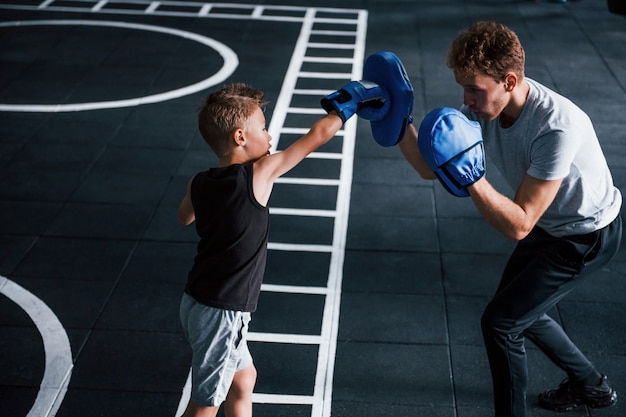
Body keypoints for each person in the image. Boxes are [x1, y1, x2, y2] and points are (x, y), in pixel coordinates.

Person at [396, 21, 622, 417]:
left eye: (474, 89)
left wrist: (473, 177)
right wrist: (399, 122)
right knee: (517, 312)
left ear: (510, 80)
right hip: (549, 222)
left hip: (585, 235)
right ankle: (591, 386)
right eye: (463, 87)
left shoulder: (555, 126)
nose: (465, 100)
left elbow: (519, 225)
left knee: (501, 323)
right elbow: (431, 169)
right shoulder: (486, 106)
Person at [176, 81, 383, 417]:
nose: (270, 135)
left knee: (243, 381)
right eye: (263, 127)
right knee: (204, 405)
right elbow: (314, 138)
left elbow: (184, 216)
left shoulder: (199, 181)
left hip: (196, 301)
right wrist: (348, 107)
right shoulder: (259, 173)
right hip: (223, 311)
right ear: (240, 137)